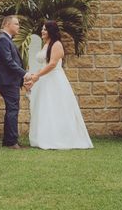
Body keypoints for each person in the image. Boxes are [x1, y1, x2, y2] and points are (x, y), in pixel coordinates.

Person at [26, 20, 93, 150]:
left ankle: (60, 138)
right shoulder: (46, 44)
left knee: (56, 106)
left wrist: (36, 76)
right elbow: (43, 64)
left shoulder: (57, 44)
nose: (42, 31)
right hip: (44, 80)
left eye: (45, 29)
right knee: (45, 107)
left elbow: (52, 64)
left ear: (51, 31)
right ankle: (44, 137)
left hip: (54, 79)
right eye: (42, 29)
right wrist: (33, 76)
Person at [0, 15, 31, 149]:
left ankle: (9, 140)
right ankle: (11, 142)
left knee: (12, 109)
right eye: (16, 24)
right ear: (7, 24)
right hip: (7, 82)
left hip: (10, 81)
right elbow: (9, 62)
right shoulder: (3, 40)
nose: (19, 27)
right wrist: (24, 74)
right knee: (13, 110)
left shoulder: (6, 40)